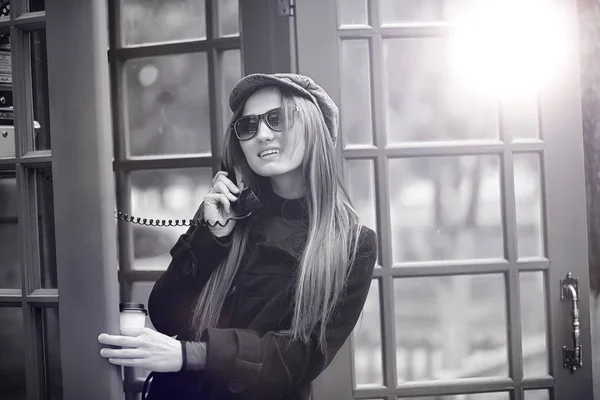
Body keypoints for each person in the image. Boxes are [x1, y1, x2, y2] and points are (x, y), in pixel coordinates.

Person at [98, 73, 378, 399]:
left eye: (278, 119)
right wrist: (212, 239)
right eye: (248, 126)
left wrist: (188, 355)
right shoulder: (228, 215)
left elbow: (298, 358)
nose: (262, 135)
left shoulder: (351, 244)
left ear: (314, 128)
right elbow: (164, 314)